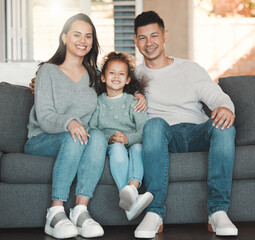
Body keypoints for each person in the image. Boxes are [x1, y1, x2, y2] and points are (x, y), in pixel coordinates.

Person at [132, 11, 238, 239]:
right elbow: (102, 91)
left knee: (225, 126)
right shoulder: (133, 77)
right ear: (136, 41)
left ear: (164, 36)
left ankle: (217, 210)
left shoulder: (189, 69)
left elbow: (217, 97)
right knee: (153, 125)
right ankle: (154, 212)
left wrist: (226, 108)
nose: (149, 43)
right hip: (163, 136)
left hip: (197, 131)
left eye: (154, 35)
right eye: (142, 38)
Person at [24, 13, 108, 239]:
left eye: (88, 36)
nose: (83, 41)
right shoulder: (47, 71)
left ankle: (80, 211)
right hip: (43, 139)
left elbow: (122, 84)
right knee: (76, 136)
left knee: (98, 137)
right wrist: (68, 122)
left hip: (79, 138)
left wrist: (139, 95)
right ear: (64, 38)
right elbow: (44, 115)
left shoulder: (95, 77)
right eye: (77, 35)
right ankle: (55, 212)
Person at [89, 51, 153, 222]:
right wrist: (110, 138)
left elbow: (144, 131)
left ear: (128, 80)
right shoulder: (98, 103)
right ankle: (131, 201)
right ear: (103, 78)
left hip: (132, 141)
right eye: (111, 72)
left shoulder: (134, 102)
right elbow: (92, 129)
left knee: (139, 148)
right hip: (111, 144)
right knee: (117, 149)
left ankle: (132, 188)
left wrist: (128, 139)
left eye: (121, 73)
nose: (116, 76)